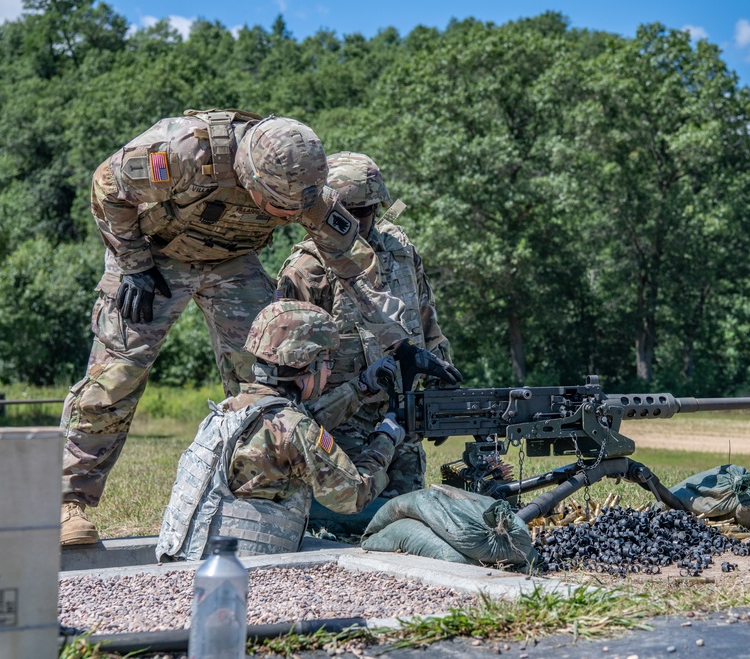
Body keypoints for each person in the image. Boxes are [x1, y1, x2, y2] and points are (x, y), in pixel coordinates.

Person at [60, 110, 460, 546]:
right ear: (248, 176)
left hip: (232, 262)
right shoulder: (187, 150)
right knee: (118, 372)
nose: (290, 215)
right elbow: (106, 184)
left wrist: (398, 344)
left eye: (296, 209)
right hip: (153, 257)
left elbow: (351, 270)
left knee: (268, 368)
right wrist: (133, 264)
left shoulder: (308, 192)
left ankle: (263, 492)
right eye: (279, 206)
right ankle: (67, 502)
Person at [156, 300, 404, 560]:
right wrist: (386, 439)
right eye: (328, 362)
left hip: (192, 557)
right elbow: (354, 494)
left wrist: (361, 386)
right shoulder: (294, 430)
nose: (330, 372)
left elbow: (303, 420)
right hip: (251, 569)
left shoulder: (232, 409)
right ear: (309, 363)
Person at [278, 152, 453, 502]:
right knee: (350, 526)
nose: (358, 222)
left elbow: (425, 317)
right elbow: (287, 368)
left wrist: (439, 386)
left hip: (401, 417)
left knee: (406, 518)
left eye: (366, 211)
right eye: (347, 213)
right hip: (343, 424)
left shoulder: (399, 250)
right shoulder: (307, 268)